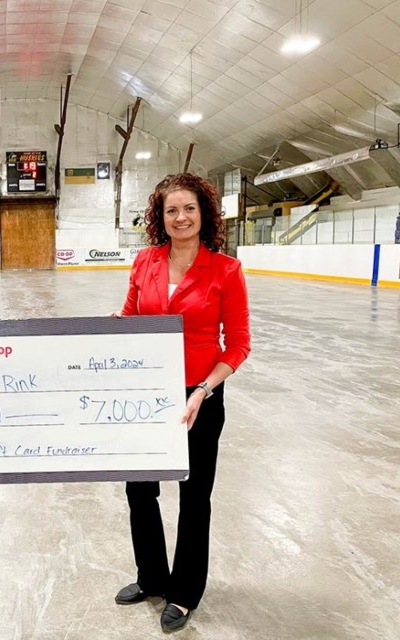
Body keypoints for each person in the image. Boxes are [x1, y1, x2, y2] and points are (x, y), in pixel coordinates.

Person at [111, 173, 251, 632]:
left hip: (201, 397)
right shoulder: (145, 260)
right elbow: (131, 319)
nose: (181, 217)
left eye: (189, 208)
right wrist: (117, 323)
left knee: (194, 498)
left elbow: (238, 345)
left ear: (204, 213)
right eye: (171, 210)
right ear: (160, 217)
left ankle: (186, 592)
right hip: (145, 396)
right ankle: (151, 577)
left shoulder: (226, 271)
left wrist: (203, 391)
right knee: (140, 490)